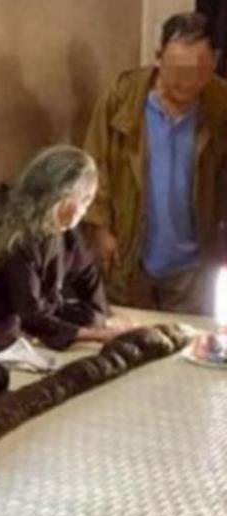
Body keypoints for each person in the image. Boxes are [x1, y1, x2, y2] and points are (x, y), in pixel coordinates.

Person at [83, 12, 227, 315]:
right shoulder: (122, 97)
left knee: (188, 338)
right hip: (130, 251)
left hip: (195, 264)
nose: (186, 85)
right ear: (158, 57)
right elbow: (95, 162)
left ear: (214, 62)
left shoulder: (221, 106)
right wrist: (99, 228)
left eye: (197, 73)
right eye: (177, 73)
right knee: (129, 335)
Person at [0, 145, 129, 352]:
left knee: (92, 318)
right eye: (85, 200)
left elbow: (87, 275)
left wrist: (106, 318)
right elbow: (31, 313)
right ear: (61, 198)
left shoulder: (66, 232)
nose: (86, 209)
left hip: (35, 309)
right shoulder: (18, 240)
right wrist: (97, 336)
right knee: (8, 332)